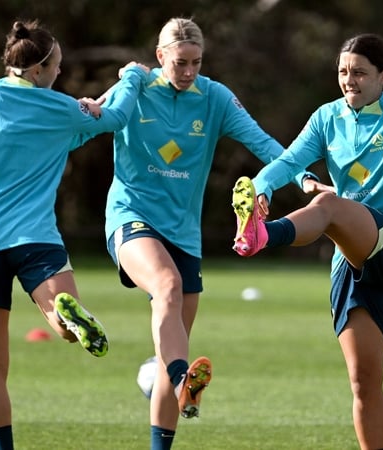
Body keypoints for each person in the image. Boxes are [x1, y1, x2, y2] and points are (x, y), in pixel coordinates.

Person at [228, 33, 383, 450]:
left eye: (360, 72)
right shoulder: (327, 117)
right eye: (344, 72)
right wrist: (261, 188)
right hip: (355, 257)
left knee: (330, 207)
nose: (350, 80)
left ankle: (261, 234)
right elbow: (290, 160)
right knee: (364, 383)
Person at [0, 20, 148, 450]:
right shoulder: (60, 109)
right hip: (36, 240)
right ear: (40, 69)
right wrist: (132, 77)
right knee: (63, 324)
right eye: (58, 66)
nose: (61, 73)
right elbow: (116, 118)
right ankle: (66, 317)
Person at [98, 17, 318, 450]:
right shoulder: (136, 86)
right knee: (167, 285)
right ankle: (184, 379)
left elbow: (263, 142)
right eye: (180, 63)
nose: (189, 72)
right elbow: (99, 118)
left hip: (184, 233)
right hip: (131, 215)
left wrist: (305, 177)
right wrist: (89, 104)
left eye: (196, 63)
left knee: (170, 347)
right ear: (160, 57)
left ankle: (172, 400)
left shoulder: (215, 97)